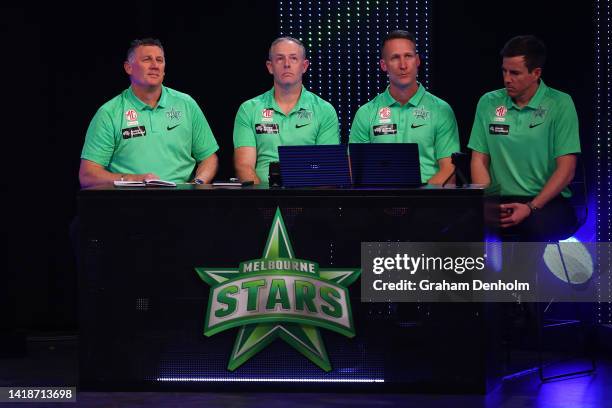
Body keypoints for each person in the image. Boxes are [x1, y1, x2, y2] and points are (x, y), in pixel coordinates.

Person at [468, 35, 581, 241]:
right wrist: (489, 203)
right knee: (460, 226)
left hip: (546, 202)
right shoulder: (488, 102)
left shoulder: (560, 104)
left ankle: (521, 275)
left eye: (515, 73)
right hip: (499, 199)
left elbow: (567, 170)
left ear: (536, 73)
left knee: (530, 230)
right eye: (504, 71)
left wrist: (531, 207)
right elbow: (478, 160)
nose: (507, 79)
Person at [79, 38, 219, 187]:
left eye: (159, 60)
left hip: (181, 201)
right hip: (128, 203)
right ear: (128, 68)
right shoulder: (109, 113)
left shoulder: (186, 104)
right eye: (147, 60)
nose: (155, 66)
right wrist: (133, 179)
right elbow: (88, 175)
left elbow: (209, 158)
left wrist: (196, 184)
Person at [349, 30, 460, 184]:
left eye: (408, 56)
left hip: (428, 201)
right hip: (379, 199)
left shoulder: (441, 110)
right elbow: (355, 170)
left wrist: (417, 199)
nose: (403, 65)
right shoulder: (366, 113)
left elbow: (449, 171)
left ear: (418, 61)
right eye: (395, 58)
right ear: (383, 65)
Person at [233, 37, 340, 184]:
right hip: (261, 201)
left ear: (304, 66)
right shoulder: (249, 109)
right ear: (270, 66)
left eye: (294, 58)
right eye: (280, 59)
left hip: (308, 200)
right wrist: (264, 200)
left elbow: (326, 168)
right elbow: (244, 166)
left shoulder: (324, 111)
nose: (287, 64)